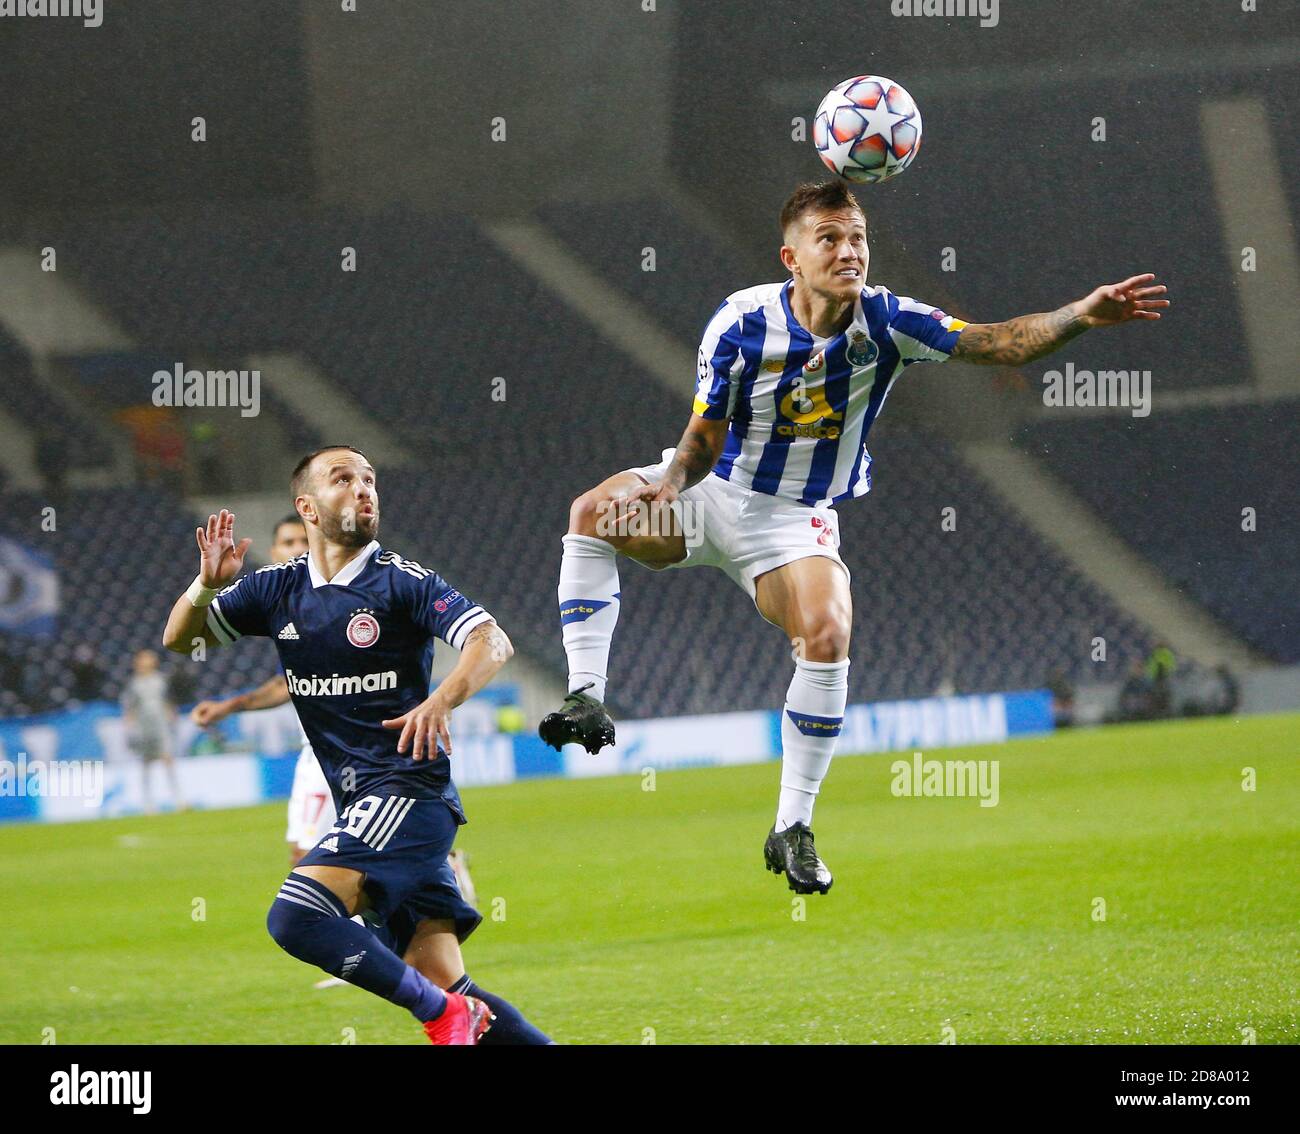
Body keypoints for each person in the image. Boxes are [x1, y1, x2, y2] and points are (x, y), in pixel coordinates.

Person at [539, 179, 1170, 895]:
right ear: (792, 256)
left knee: (829, 632)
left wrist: (1081, 316)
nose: (850, 251)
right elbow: (703, 439)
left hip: (792, 520)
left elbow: (998, 344)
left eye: (858, 238)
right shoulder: (740, 323)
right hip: (709, 491)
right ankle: (586, 694)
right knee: (594, 513)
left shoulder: (890, 321)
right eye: (830, 239)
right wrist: (670, 486)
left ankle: (792, 827)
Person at [163, 446, 550, 1045]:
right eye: (343, 479)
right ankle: (455, 1013)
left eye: (369, 479)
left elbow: (490, 640)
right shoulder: (276, 589)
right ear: (307, 508)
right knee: (449, 983)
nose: (363, 489)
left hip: (407, 794)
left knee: (295, 917)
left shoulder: (402, 581)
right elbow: (180, 641)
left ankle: (442, 1019)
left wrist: (440, 700)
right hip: (366, 806)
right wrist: (205, 589)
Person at [120, 649, 187, 814]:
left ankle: (178, 799)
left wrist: (172, 715)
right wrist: (129, 727)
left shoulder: (161, 680)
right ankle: (148, 802)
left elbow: (168, 700)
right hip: (144, 727)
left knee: (167, 759)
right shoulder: (134, 684)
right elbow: (130, 707)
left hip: (161, 725)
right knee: (146, 763)